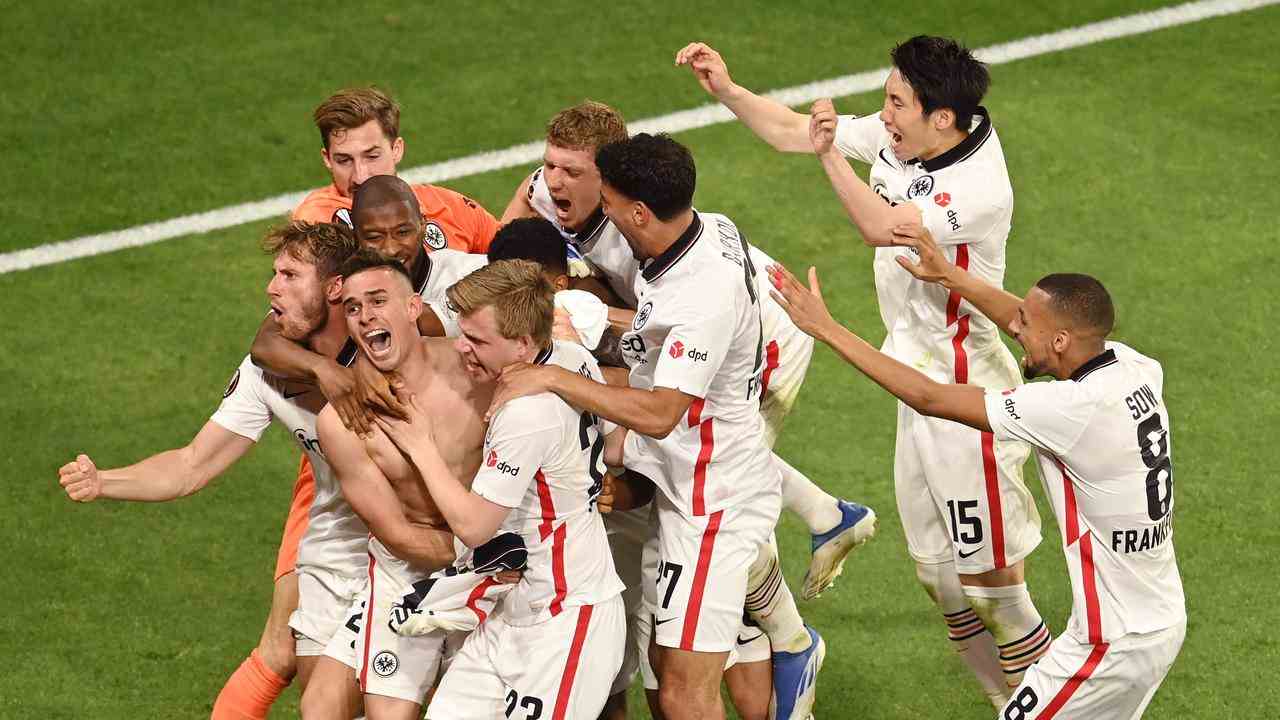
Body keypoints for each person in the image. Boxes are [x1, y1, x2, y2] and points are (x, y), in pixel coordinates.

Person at [678, 36, 1051, 705]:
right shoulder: (905, 138)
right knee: (940, 581)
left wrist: (828, 155)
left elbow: (883, 227)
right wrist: (730, 91)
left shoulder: (978, 187)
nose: (883, 114)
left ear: (943, 117)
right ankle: (1011, 705)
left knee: (996, 591)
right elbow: (797, 131)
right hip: (914, 387)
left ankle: (1056, 709)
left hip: (967, 395)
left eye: (896, 102)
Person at [505, 104, 872, 719]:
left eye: (613, 204)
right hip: (693, 476)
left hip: (709, 500)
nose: (604, 217)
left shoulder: (697, 296)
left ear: (638, 212)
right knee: (676, 669)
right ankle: (818, 543)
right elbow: (652, 343)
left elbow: (659, 414)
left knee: (682, 685)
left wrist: (553, 375)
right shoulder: (696, 229)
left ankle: (794, 637)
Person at [768, 224, 1185, 719]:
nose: (1015, 330)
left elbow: (932, 398)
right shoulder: (1136, 367)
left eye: (1027, 324)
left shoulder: (1068, 409)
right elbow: (1023, 320)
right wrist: (951, 276)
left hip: (1109, 642)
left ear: (1059, 338)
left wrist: (827, 328)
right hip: (1161, 621)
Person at [56, 222, 375, 718]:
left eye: (291, 275)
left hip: (421, 552)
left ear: (335, 288)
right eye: (275, 273)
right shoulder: (265, 373)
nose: (272, 286)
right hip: (338, 553)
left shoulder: (389, 346)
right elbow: (191, 464)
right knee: (323, 707)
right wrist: (104, 483)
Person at [371, 259, 627, 719]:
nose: (461, 348)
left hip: (566, 621)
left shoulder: (527, 415)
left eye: (478, 341)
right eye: (463, 333)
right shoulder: (569, 358)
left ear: (523, 344)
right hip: (513, 610)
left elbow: (473, 527)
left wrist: (420, 446)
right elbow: (615, 446)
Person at [309, 250, 497, 720]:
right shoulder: (342, 420)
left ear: (414, 307)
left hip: (494, 563)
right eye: (353, 308)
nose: (365, 316)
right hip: (412, 570)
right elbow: (394, 532)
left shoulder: (474, 371)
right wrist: (481, 554)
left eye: (378, 301)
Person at [293, 86, 500, 254]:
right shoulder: (316, 221)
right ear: (327, 159)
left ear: (396, 149)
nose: (361, 176)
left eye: (372, 156)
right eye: (344, 160)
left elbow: (515, 260)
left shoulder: (450, 208)